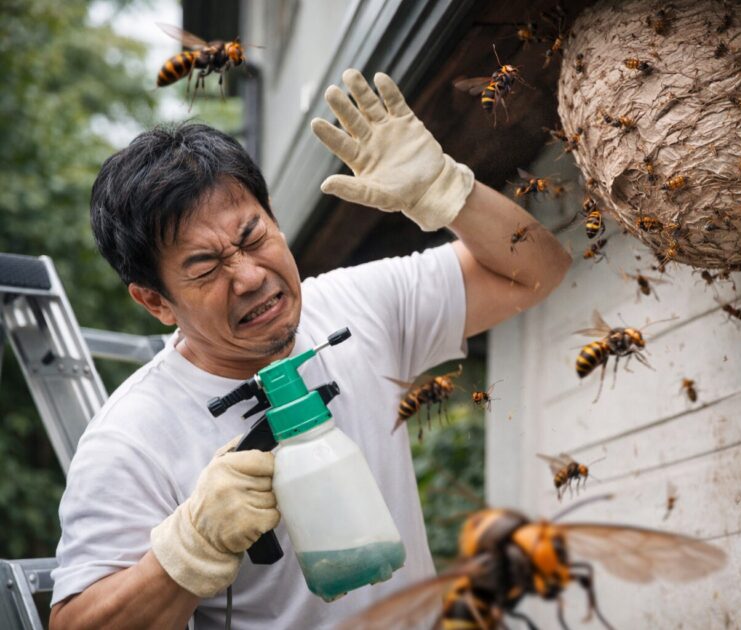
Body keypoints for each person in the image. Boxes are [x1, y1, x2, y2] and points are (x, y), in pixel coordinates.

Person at [47, 69, 570, 629]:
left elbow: (537, 270)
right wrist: (188, 548)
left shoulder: (351, 303)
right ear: (156, 302)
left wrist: (447, 190)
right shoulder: (132, 438)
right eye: (204, 267)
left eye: (253, 238)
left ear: (273, 216)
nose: (248, 276)